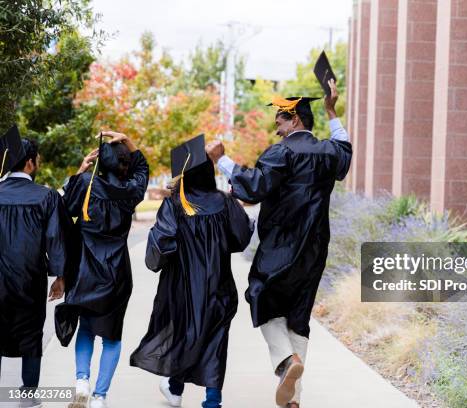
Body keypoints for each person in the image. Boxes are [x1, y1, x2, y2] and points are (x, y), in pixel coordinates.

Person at [206, 79, 352, 408]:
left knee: (261, 295)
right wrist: (332, 112)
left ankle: (286, 361)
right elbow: (345, 150)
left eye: (280, 121)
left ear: (295, 119)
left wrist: (223, 161)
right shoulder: (329, 152)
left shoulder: (282, 152)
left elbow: (254, 187)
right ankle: (293, 400)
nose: (277, 129)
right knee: (298, 315)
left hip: (281, 245)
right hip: (315, 249)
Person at [130, 134, 254, 408]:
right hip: (219, 285)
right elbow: (241, 238)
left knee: (185, 333)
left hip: (182, 286)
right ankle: (211, 400)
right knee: (215, 341)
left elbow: (161, 245)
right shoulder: (224, 202)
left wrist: (158, 257)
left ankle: (175, 387)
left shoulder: (175, 206)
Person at [55, 131, 149, 408]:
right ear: (124, 163)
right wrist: (128, 139)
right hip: (116, 271)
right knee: (111, 336)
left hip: (84, 269)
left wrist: (80, 171)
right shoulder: (130, 189)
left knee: (86, 328)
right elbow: (143, 168)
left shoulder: (85, 183)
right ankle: (100, 396)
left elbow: (62, 207)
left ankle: (81, 380)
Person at [0, 126, 70, 408]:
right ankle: (28, 395)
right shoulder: (45, 196)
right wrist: (60, 276)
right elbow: (56, 237)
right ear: (29, 163)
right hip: (30, 278)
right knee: (31, 334)